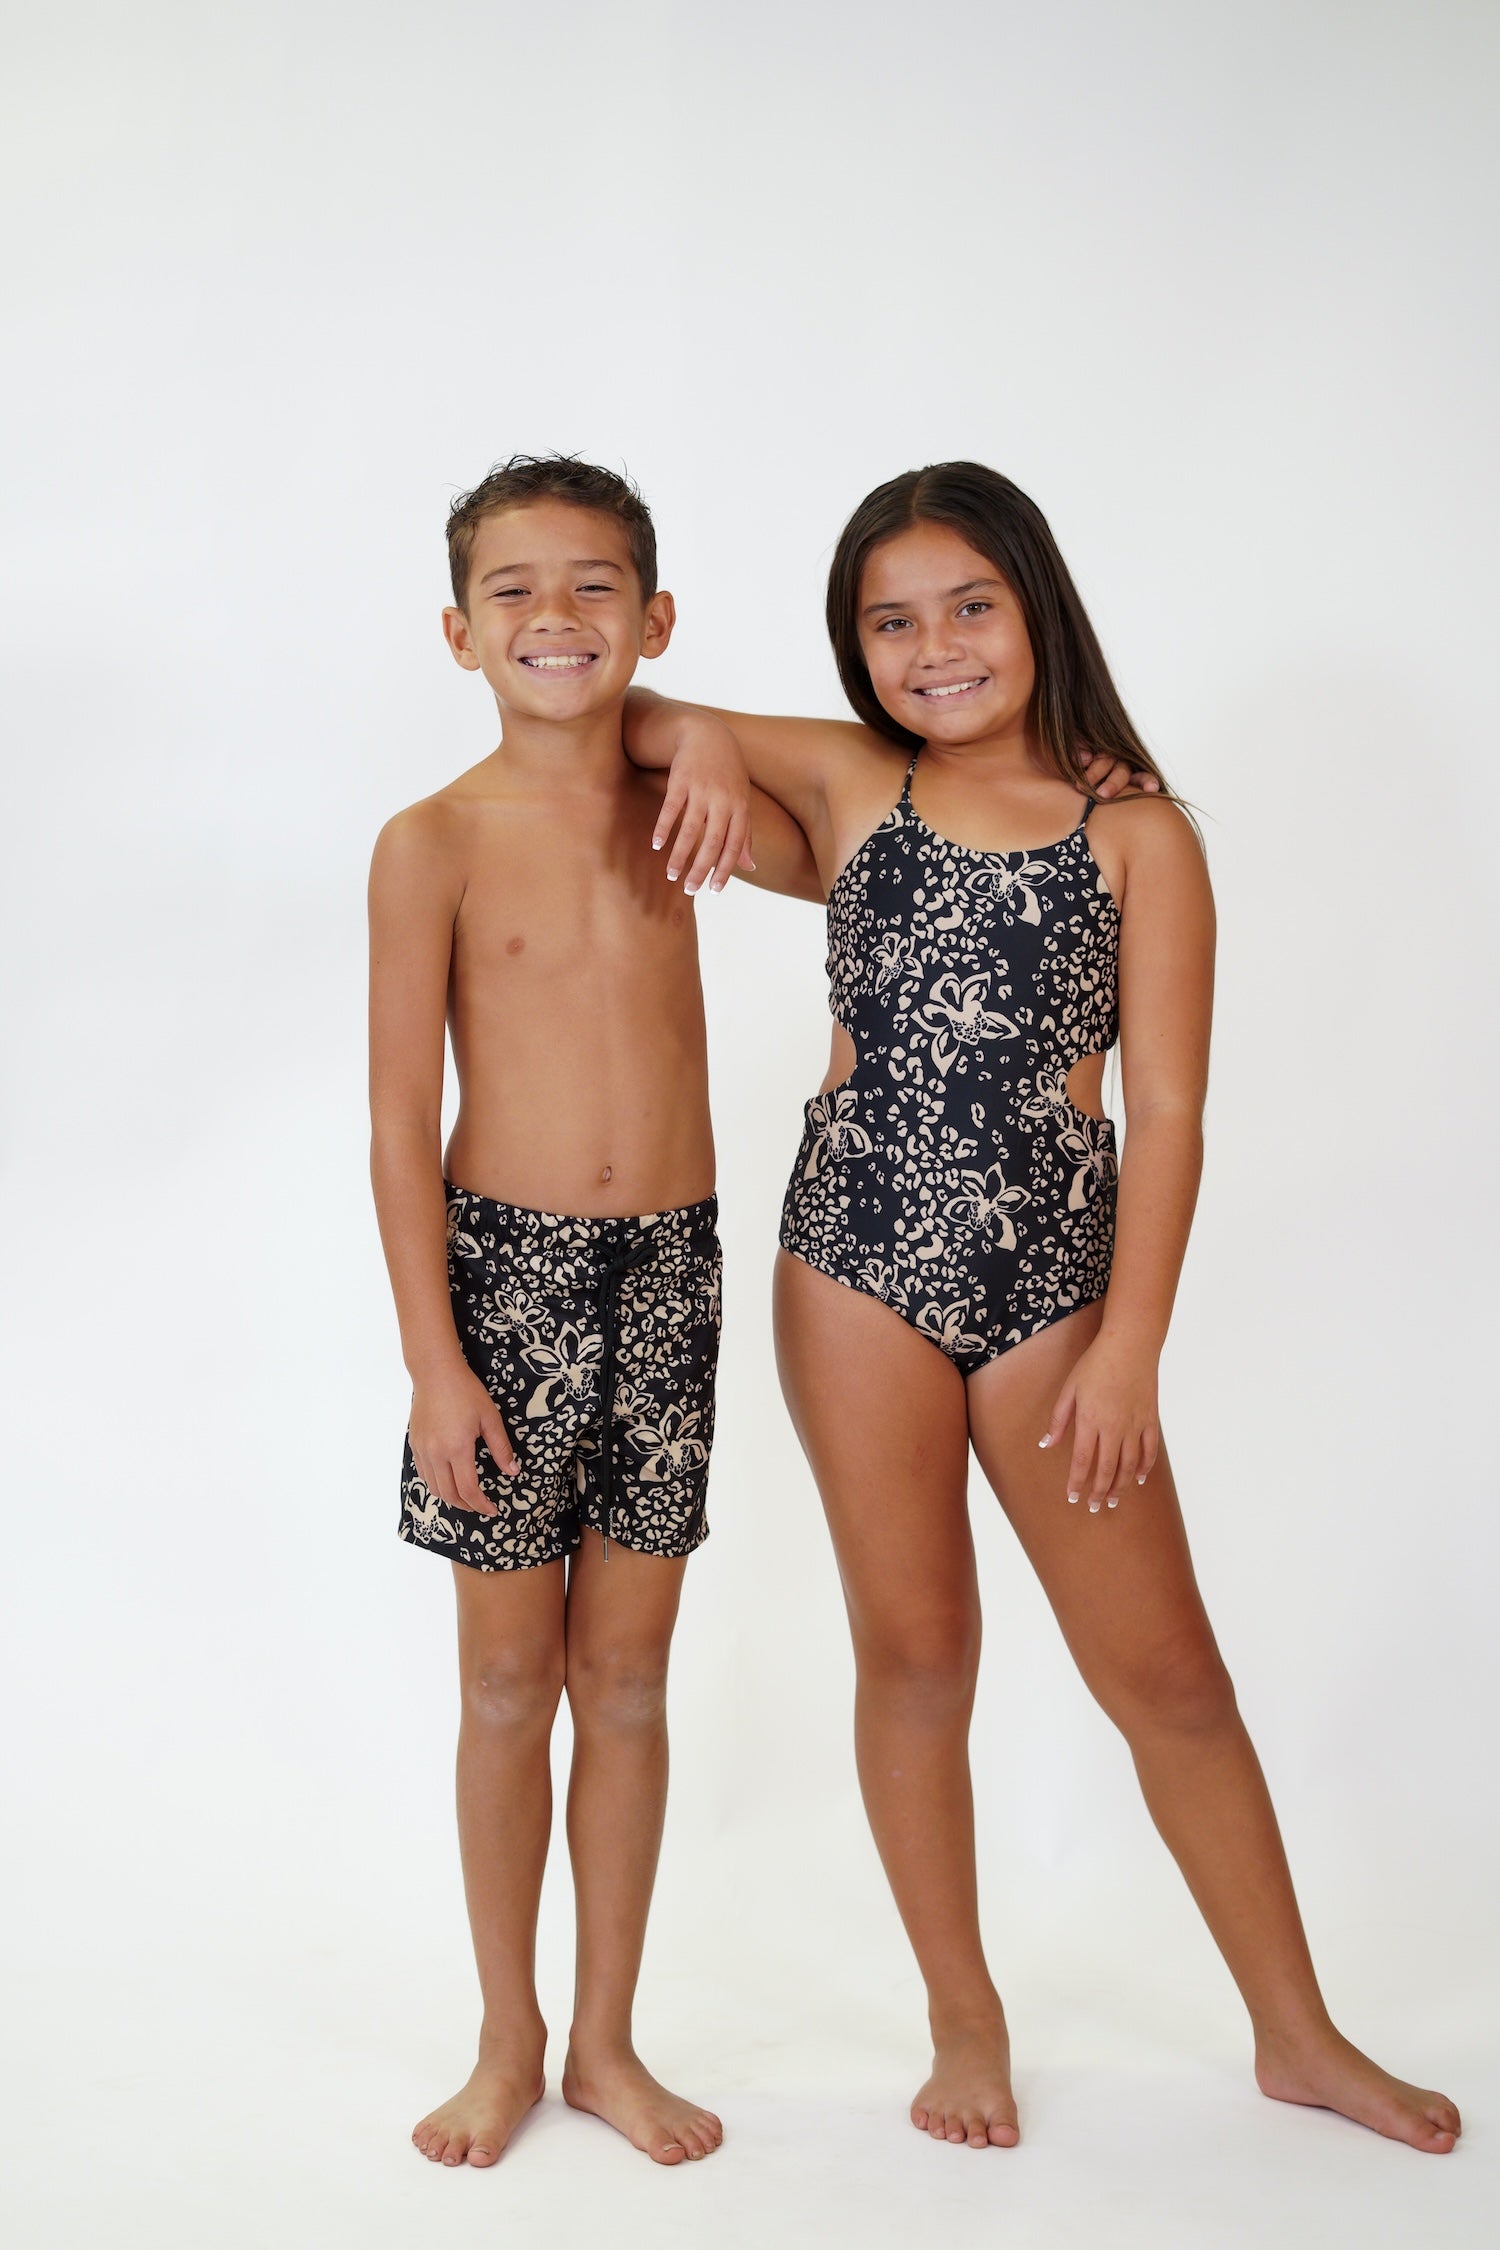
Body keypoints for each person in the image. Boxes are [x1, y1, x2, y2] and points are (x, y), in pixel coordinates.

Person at [623, 459, 1461, 2156]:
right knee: (918, 1648)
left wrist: (1132, 1342)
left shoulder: (1137, 833)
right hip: (852, 1261)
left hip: (1058, 1293)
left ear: (1037, 607)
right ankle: (964, 2014)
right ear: (857, 647)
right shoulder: (853, 780)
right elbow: (622, 710)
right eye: (892, 622)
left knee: (1170, 1675)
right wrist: (703, 738)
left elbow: (1172, 1112)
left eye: (970, 607)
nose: (934, 647)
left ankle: (1297, 2032)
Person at [367, 453, 814, 2169]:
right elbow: (397, 1120)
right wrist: (434, 1359)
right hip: (505, 1283)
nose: (555, 615)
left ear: (655, 617)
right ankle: (508, 2037)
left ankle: (609, 2041)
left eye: (595, 585)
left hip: (671, 1270)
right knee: (508, 1680)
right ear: (459, 632)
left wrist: (701, 735)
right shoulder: (431, 842)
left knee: (626, 1676)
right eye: (514, 589)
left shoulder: (686, 805)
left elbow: (860, 821)